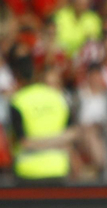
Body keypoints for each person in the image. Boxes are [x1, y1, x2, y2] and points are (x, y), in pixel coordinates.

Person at [8, 49, 72, 183]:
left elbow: (21, 141)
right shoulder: (59, 98)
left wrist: (39, 143)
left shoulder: (18, 100)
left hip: (27, 170)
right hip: (58, 168)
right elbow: (71, 134)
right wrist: (55, 142)